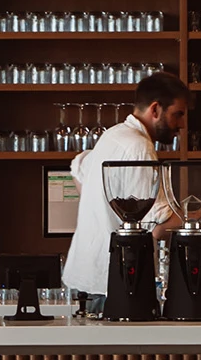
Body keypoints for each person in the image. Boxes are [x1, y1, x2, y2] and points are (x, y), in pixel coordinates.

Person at [62, 71, 189, 309]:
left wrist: (100, 207)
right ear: (155, 110)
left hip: (89, 280)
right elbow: (158, 225)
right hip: (112, 285)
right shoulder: (139, 148)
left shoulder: (114, 134)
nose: (181, 125)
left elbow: (78, 167)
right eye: (178, 115)